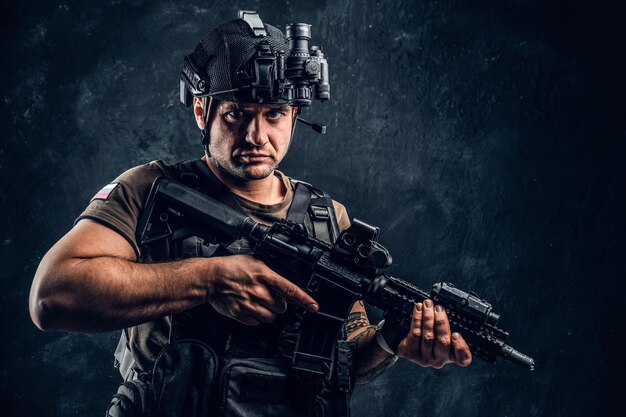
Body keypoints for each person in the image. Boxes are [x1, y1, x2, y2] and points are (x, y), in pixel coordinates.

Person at [28, 11, 472, 417]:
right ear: (203, 111)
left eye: (274, 114)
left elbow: (338, 367)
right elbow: (52, 296)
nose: (256, 135)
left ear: (294, 116)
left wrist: (392, 341)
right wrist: (209, 279)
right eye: (237, 114)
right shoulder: (148, 190)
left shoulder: (328, 218)